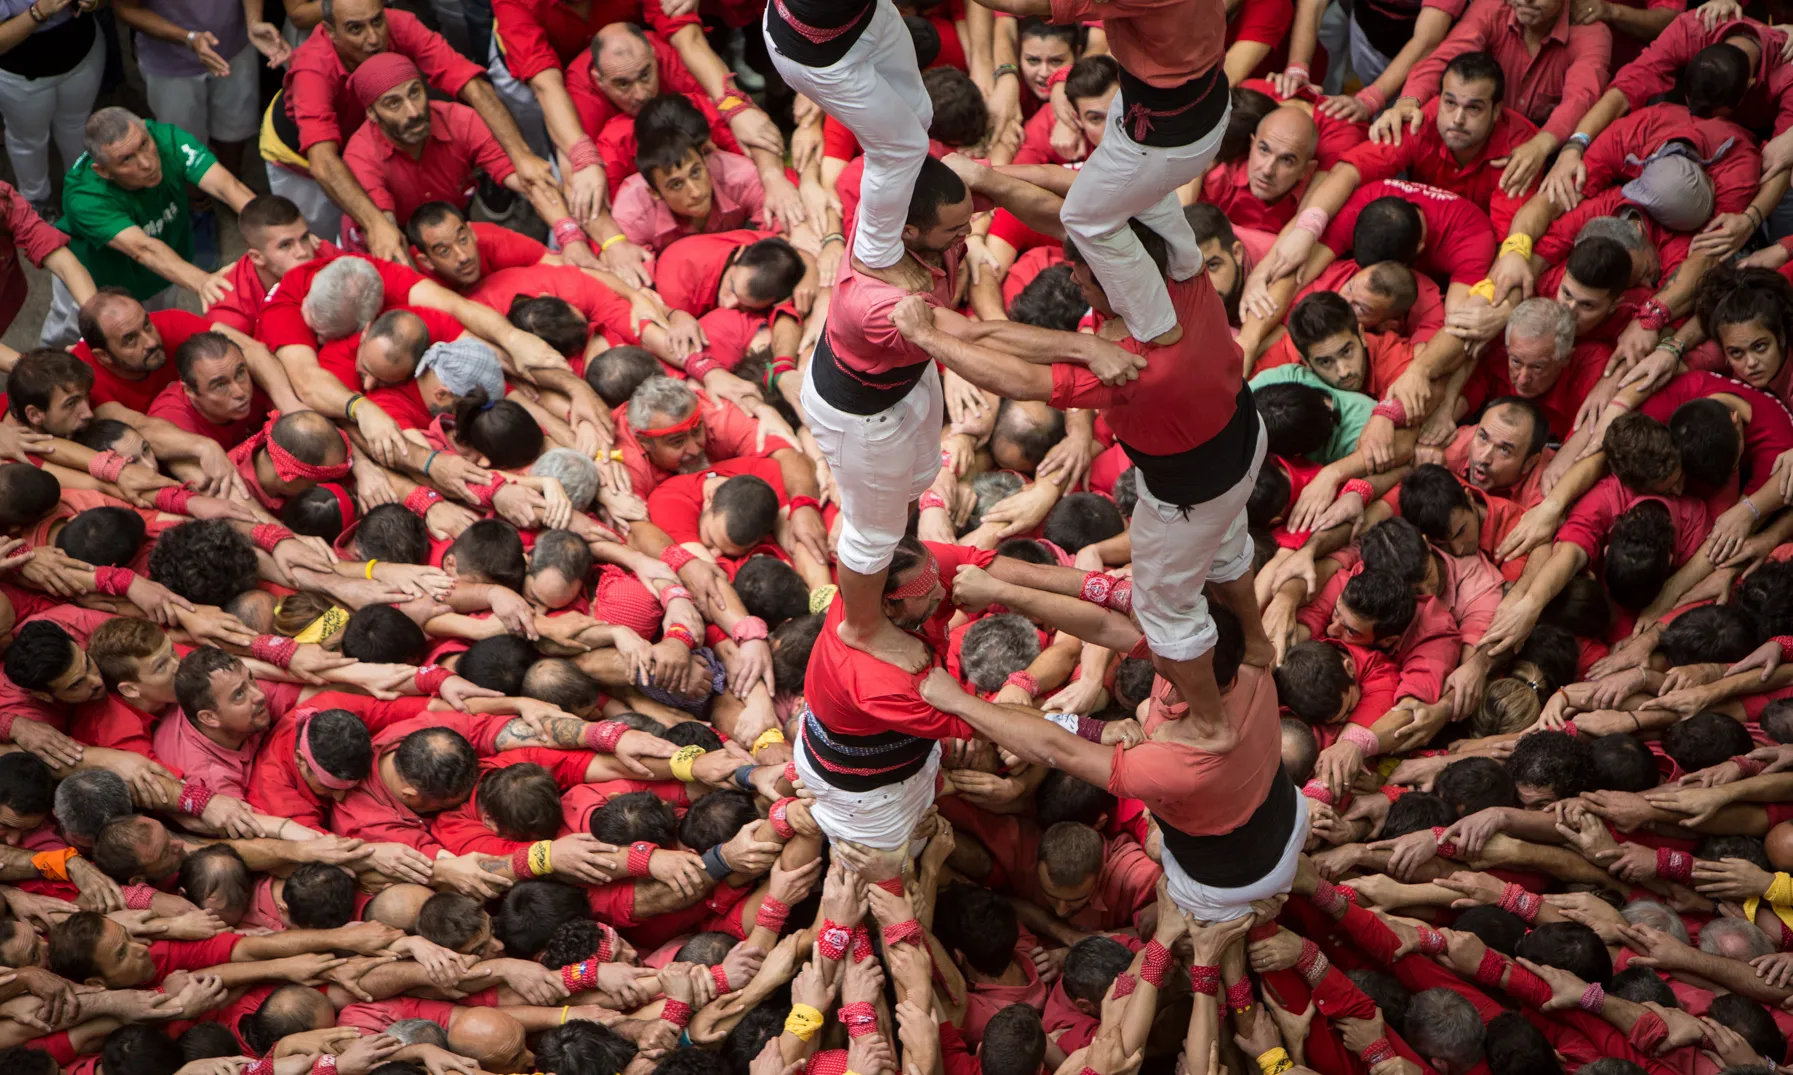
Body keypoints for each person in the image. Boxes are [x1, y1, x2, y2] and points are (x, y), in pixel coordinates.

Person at [42, 108, 256, 348]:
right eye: (126, 159)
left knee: (158, 332)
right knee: (74, 342)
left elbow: (229, 187)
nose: (146, 163)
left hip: (164, 270)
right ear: (102, 171)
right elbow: (142, 248)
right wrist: (202, 281)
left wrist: (272, 233)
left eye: (144, 144)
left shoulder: (165, 137)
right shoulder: (84, 196)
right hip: (97, 284)